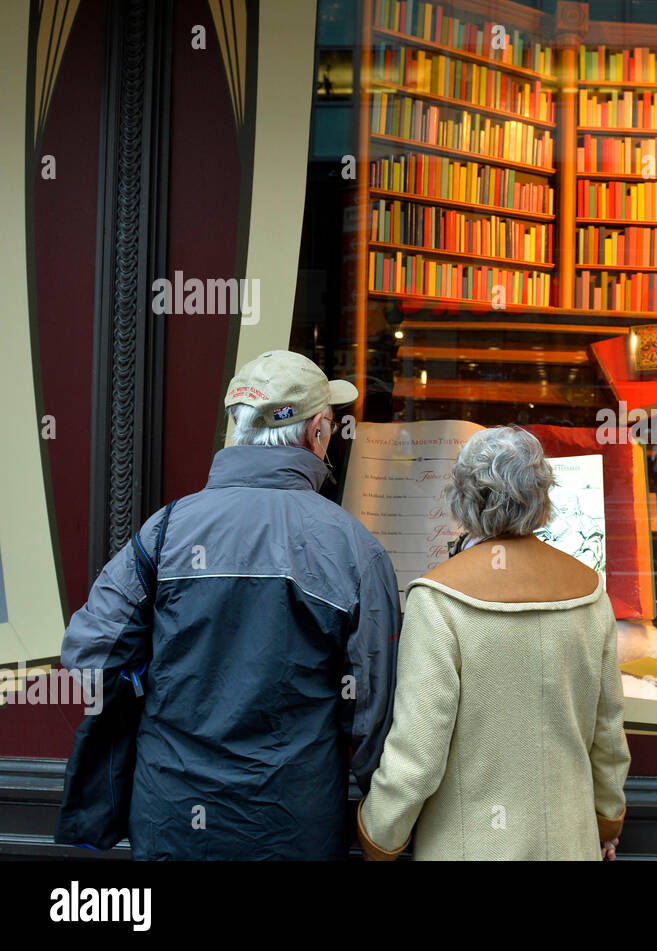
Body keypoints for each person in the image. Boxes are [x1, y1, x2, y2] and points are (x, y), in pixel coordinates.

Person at [60, 350, 401, 859]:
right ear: (318, 433)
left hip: (171, 816)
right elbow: (373, 714)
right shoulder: (353, 549)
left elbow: (89, 655)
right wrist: (390, 817)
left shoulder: (166, 531)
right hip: (291, 825)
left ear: (235, 431)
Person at [356, 426, 631, 860]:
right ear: (544, 498)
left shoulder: (437, 600)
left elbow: (417, 754)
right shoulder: (590, 592)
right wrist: (606, 820)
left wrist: (379, 836)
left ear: (461, 500)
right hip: (571, 843)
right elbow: (608, 734)